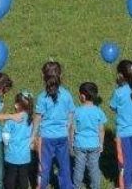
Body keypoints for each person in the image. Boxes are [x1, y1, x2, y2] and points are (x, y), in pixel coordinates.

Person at [33, 61, 74, 189]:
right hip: (62, 136)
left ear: (43, 76)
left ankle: (42, 186)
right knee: (64, 166)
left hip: (46, 137)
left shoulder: (42, 97)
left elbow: (38, 117)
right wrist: (67, 128)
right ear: (60, 76)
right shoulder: (66, 94)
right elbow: (71, 113)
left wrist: (33, 135)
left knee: (44, 167)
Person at [110, 60, 132, 189]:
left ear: (120, 75)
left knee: (125, 162)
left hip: (124, 133)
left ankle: (126, 185)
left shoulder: (119, 92)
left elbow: (112, 107)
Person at [72, 82, 106, 189]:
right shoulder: (98, 111)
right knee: (94, 168)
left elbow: (72, 128)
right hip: (94, 144)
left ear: (82, 96)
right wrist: (101, 143)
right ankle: (95, 186)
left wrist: (71, 142)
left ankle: (76, 186)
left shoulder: (76, 111)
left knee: (78, 168)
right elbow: (101, 130)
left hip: (79, 144)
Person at [3, 91, 33, 189]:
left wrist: (6, 145)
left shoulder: (11, 119)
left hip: (12, 155)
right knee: (23, 178)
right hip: (25, 156)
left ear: (16, 105)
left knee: (10, 178)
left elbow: (5, 136)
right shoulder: (30, 119)